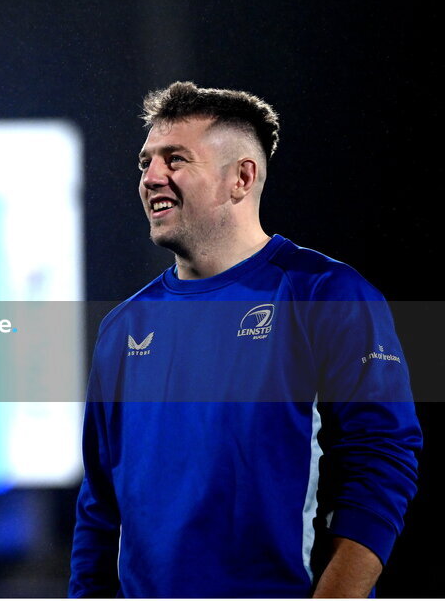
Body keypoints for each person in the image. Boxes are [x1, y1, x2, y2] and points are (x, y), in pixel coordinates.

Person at [69, 82, 421, 597]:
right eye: (145, 162)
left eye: (175, 159)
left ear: (241, 177)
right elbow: (99, 506)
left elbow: (384, 464)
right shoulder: (122, 328)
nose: (150, 177)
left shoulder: (327, 295)